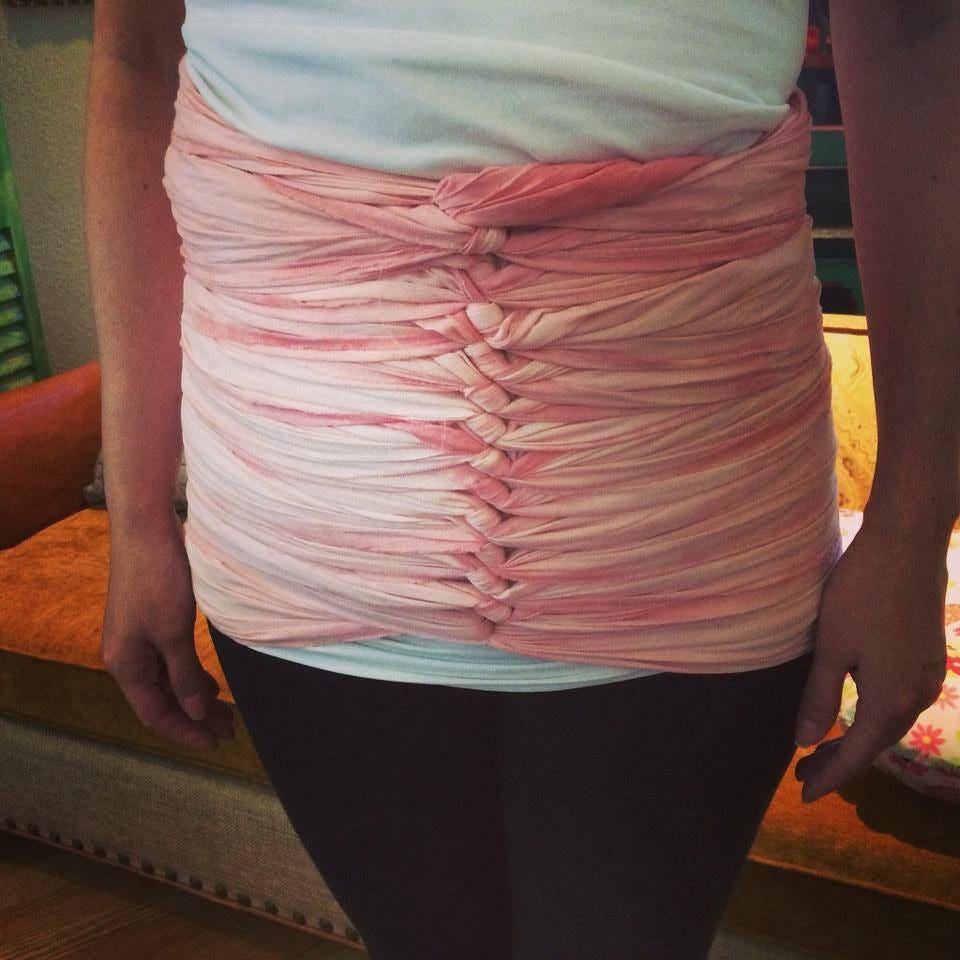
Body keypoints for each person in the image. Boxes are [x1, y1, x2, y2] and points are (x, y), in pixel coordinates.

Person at [85, 2, 958, 958]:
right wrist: (138, 516)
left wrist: (911, 531)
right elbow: (136, 62)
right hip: (304, 529)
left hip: (695, 523)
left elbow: (918, 42)